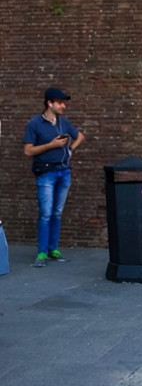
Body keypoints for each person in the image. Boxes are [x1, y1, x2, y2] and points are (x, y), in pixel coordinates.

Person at [23, 87, 84, 267]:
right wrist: (51, 145)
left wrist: (70, 150)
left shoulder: (63, 123)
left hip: (64, 172)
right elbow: (28, 151)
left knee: (57, 213)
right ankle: (41, 253)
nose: (64, 106)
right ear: (49, 103)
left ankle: (53, 249)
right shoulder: (34, 123)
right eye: (60, 102)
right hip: (46, 173)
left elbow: (80, 136)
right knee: (46, 213)